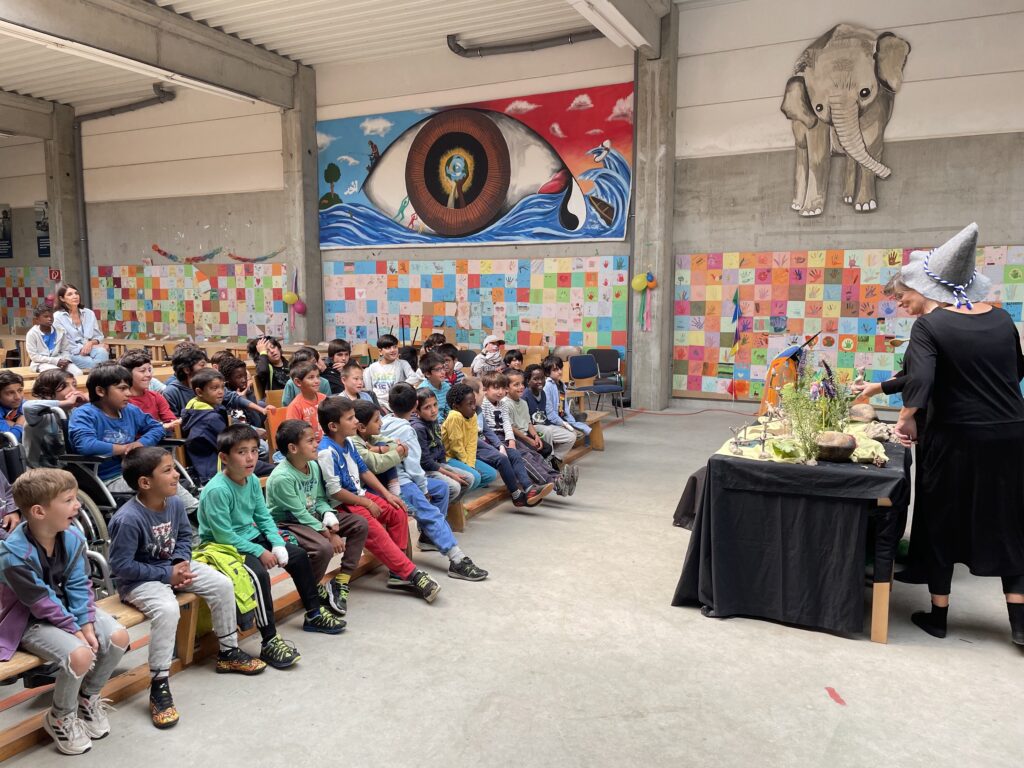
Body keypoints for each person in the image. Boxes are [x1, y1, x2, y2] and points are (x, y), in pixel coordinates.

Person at [891, 222, 1024, 646]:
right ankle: (1019, 625)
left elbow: (922, 379)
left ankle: (939, 617)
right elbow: (1016, 371)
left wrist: (908, 416)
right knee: (1009, 520)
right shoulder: (1003, 319)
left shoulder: (930, 327)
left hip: (954, 438)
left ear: (928, 288)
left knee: (941, 517)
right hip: (1010, 434)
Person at [108, 448, 266, 729]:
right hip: (139, 581)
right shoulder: (128, 518)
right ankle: (159, 685)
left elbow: (183, 536)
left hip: (174, 568)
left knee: (221, 583)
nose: (176, 474)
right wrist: (165, 574)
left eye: (174, 468)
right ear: (145, 483)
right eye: (167, 470)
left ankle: (228, 652)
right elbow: (121, 567)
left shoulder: (175, 503)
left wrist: (180, 562)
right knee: (168, 610)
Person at [0, 469, 130, 755]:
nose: (78, 505)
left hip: (68, 611)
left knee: (118, 637)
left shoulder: (70, 536)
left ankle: (87, 698)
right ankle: (60, 716)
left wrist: (85, 622)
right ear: (38, 511)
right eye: (69, 500)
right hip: (28, 620)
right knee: (80, 654)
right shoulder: (12, 555)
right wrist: (75, 629)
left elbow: (79, 583)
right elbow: (40, 601)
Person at [198, 424, 345, 670]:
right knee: (258, 574)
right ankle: (270, 640)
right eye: (242, 452)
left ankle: (314, 613)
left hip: (250, 535)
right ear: (224, 457)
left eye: (255, 451)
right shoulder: (216, 490)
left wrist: (277, 543)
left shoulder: (252, 480)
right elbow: (223, 536)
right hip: (222, 547)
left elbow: (264, 517)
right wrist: (261, 552)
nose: (250, 458)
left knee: (297, 555)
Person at [316, 397, 441, 603]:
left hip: (359, 496)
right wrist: (366, 502)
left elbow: (364, 471)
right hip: (343, 504)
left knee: (396, 509)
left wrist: (387, 494)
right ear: (333, 426)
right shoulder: (326, 452)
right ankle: (412, 574)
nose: (356, 421)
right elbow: (335, 491)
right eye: (350, 418)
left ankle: (398, 572)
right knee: (373, 528)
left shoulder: (347, 441)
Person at [381, 383, 487, 580]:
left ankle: (429, 535)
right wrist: (423, 490)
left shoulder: (383, 422)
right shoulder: (408, 430)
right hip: (400, 483)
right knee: (431, 512)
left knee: (441, 488)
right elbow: (413, 468)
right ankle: (456, 559)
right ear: (415, 406)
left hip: (394, 479)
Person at [266, 419, 369, 618]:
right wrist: (330, 535)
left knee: (359, 523)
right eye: (311, 441)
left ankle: (341, 580)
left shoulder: (312, 466)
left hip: (311, 516)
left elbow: (320, 499)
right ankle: (311, 587)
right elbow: (299, 513)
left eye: (315, 439)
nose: (316, 444)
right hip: (288, 522)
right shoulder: (282, 478)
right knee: (324, 548)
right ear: (293, 448)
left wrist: (328, 515)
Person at [68, 365, 201, 513]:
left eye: (129, 388)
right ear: (100, 391)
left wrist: (140, 444)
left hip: (136, 473)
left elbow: (156, 428)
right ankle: (196, 513)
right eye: (122, 388)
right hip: (106, 479)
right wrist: (123, 449)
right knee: (162, 483)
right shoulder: (84, 415)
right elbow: (85, 444)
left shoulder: (130, 411)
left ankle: (195, 514)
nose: (129, 394)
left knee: (166, 480)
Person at [181, 369, 273, 485]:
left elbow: (232, 398)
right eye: (214, 388)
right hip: (217, 470)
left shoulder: (194, 405)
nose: (220, 392)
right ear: (199, 392)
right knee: (273, 470)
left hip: (205, 466)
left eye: (222, 387)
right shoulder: (210, 419)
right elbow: (235, 447)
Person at [473, 376, 554, 505]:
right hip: (488, 441)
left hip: (501, 436)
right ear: (485, 390)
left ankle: (529, 488)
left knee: (521, 452)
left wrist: (510, 439)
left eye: (502, 388)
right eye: (495, 388)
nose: (500, 392)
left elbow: (506, 422)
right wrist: (500, 445)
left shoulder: (502, 403)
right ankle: (523, 491)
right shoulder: (483, 404)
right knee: (511, 456)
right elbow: (484, 431)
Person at [502, 370, 577, 495]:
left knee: (544, 449)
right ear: (506, 388)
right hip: (516, 438)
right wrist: (529, 439)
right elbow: (510, 427)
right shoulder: (505, 403)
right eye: (516, 385)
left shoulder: (523, 403)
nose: (521, 387)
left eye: (522, 384)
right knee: (534, 455)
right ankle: (557, 484)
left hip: (526, 435)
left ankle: (561, 479)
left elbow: (528, 423)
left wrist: (535, 436)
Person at [163, 346, 266, 423]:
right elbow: (174, 424)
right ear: (186, 370)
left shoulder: (208, 381)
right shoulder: (172, 392)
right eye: (202, 365)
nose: (207, 368)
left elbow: (232, 398)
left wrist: (262, 410)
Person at [411, 388, 473, 501]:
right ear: (417, 411)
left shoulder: (433, 420)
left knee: (469, 479)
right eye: (427, 407)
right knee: (454, 487)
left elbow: (440, 447)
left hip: (437, 465)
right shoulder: (418, 428)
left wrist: (447, 468)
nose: (434, 410)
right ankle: (436, 511)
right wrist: (450, 474)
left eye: (435, 405)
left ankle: (448, 507)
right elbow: (425, 462)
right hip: (426, 470)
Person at [522, 364, 577, 463]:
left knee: (571, 436)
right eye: (535, 379)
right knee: (546, 430)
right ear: (528, 380)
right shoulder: (524, 396)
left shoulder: (542, 393)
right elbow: (525, 422)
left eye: (542, 378)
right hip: (532, 428)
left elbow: (547, 413)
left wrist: (562, 423)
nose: (540, 381)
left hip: (545, 425)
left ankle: (555, 458)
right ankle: (548, 459)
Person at [53, 284, 109, 370]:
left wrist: (91, 344)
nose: (75, 296)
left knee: (102, 352)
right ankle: (101, 378)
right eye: (70, 294)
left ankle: (98, 378)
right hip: (69, 353)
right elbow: (65, 344)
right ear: (62, 298)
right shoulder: (57, 317)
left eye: (76, 293)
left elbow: (98, 336)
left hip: (90, 349)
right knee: (98, 364)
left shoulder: (89, 313)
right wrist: (87, 347)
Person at [120, 350, 179, 431]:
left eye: (149, 370)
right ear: (127, 374)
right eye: (142, 371)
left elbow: (173, 423)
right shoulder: (121, 400)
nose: (148, 375)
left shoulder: (156, 397)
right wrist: (162, 426)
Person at [541, 355, 591, 439]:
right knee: (577, 433)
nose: (560, 372)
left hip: (562, 415)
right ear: (547, 372)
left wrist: (570, 421)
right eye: (555, 370)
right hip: (553, 420)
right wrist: (563, 423)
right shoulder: (547, 386)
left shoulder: (562, 385)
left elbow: (565, 406)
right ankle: (575, 418)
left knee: (584, 429)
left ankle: (574, 418)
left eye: (560, 368)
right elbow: (549, 412)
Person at [26, 303, 83, 376]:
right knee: (58, 374)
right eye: (45, 317)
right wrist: (56, 361)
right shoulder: (32, 334)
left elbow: (65, 350)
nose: (49, 319)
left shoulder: (60, 331)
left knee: (78, 373)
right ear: (37, 319)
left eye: (51, 316)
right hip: (41, 363)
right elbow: (34, 357)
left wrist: (66, 360)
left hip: (60, 361)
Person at [364, 333, 414, 410]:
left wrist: (399, 388)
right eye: (388, 347)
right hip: (378, 404)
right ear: (380, 351)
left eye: (395, 347)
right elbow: (369, 390)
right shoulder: (372, 368)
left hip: (397, 403)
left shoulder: (403, 364)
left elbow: (414, 378)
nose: (393, 350)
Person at [284, 361, 328, 442]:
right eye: (311, 377)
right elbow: (292, 433)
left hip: (327, 441)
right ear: (298, 382)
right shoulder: (295, 406)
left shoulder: (324, 398)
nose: (317, 381)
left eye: (318, 376)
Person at [418, 352, 452, 420]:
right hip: (430, 422)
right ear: (427, 374)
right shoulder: (424, 390)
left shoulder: (446, 386)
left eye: (443, 368)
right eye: (438, 369)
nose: (443, 372)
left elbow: (449, 409)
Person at [0, 371, 26, 444]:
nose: (18, 397)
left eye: (20, 390)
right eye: (10, 393)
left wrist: (12, 424)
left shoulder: (22, 403)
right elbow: (9, 441)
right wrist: (20, 423)